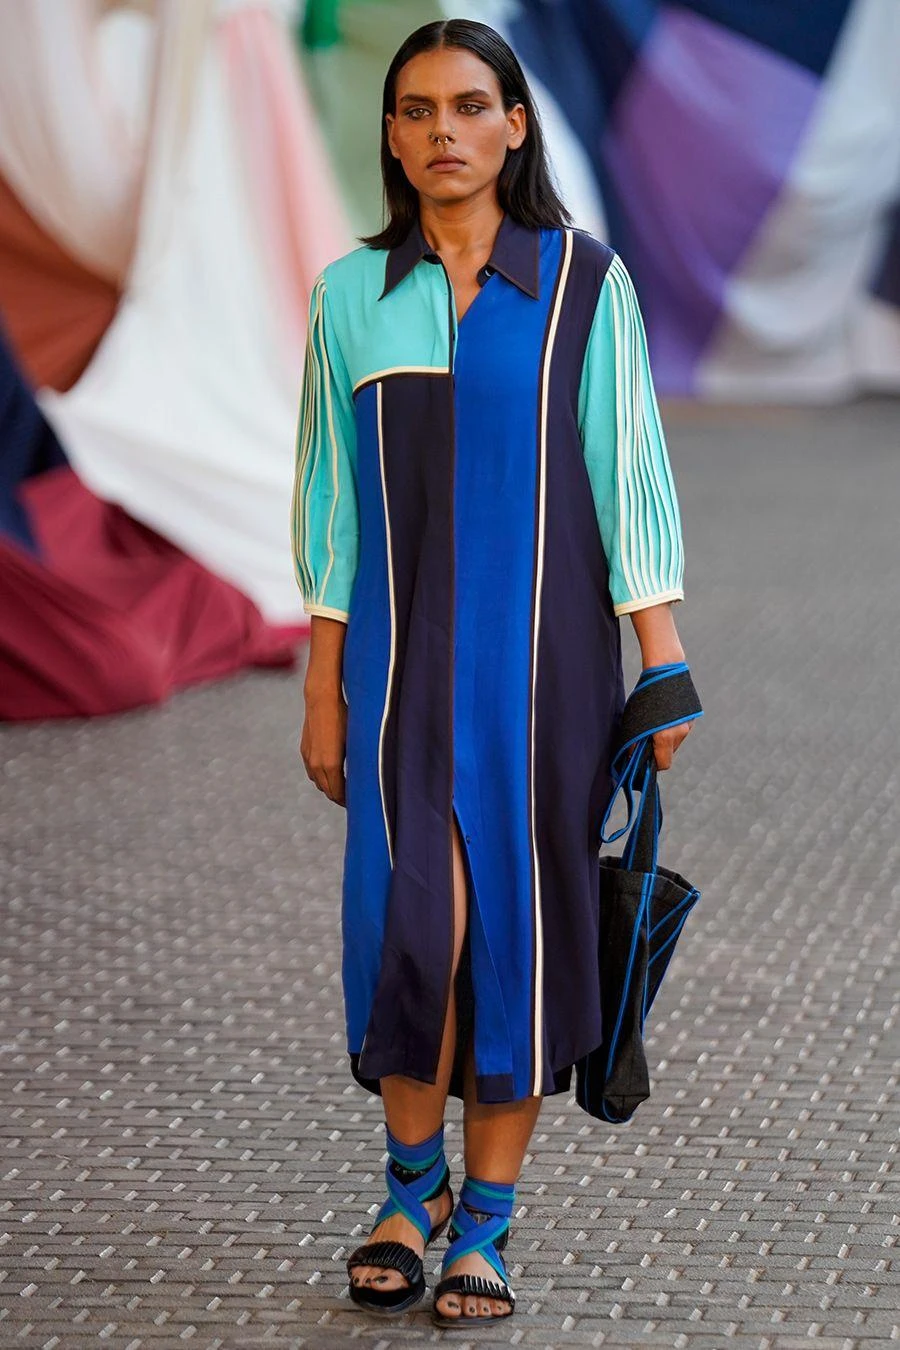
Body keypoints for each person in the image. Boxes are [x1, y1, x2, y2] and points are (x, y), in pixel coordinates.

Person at [290, 17, 693, 1327]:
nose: (444, 132)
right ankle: (409, 1190)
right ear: (391, 135)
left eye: (471, 106)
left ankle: (487, 1220)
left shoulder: (583, 281)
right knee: (413, 928)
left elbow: (629, 468)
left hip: (544, 672)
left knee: (515, 931)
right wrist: (322, 685)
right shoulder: (352, 295)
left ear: (516, 126)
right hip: (395, 674)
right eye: (417, 110)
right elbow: (332, 504)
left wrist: (663, 657)